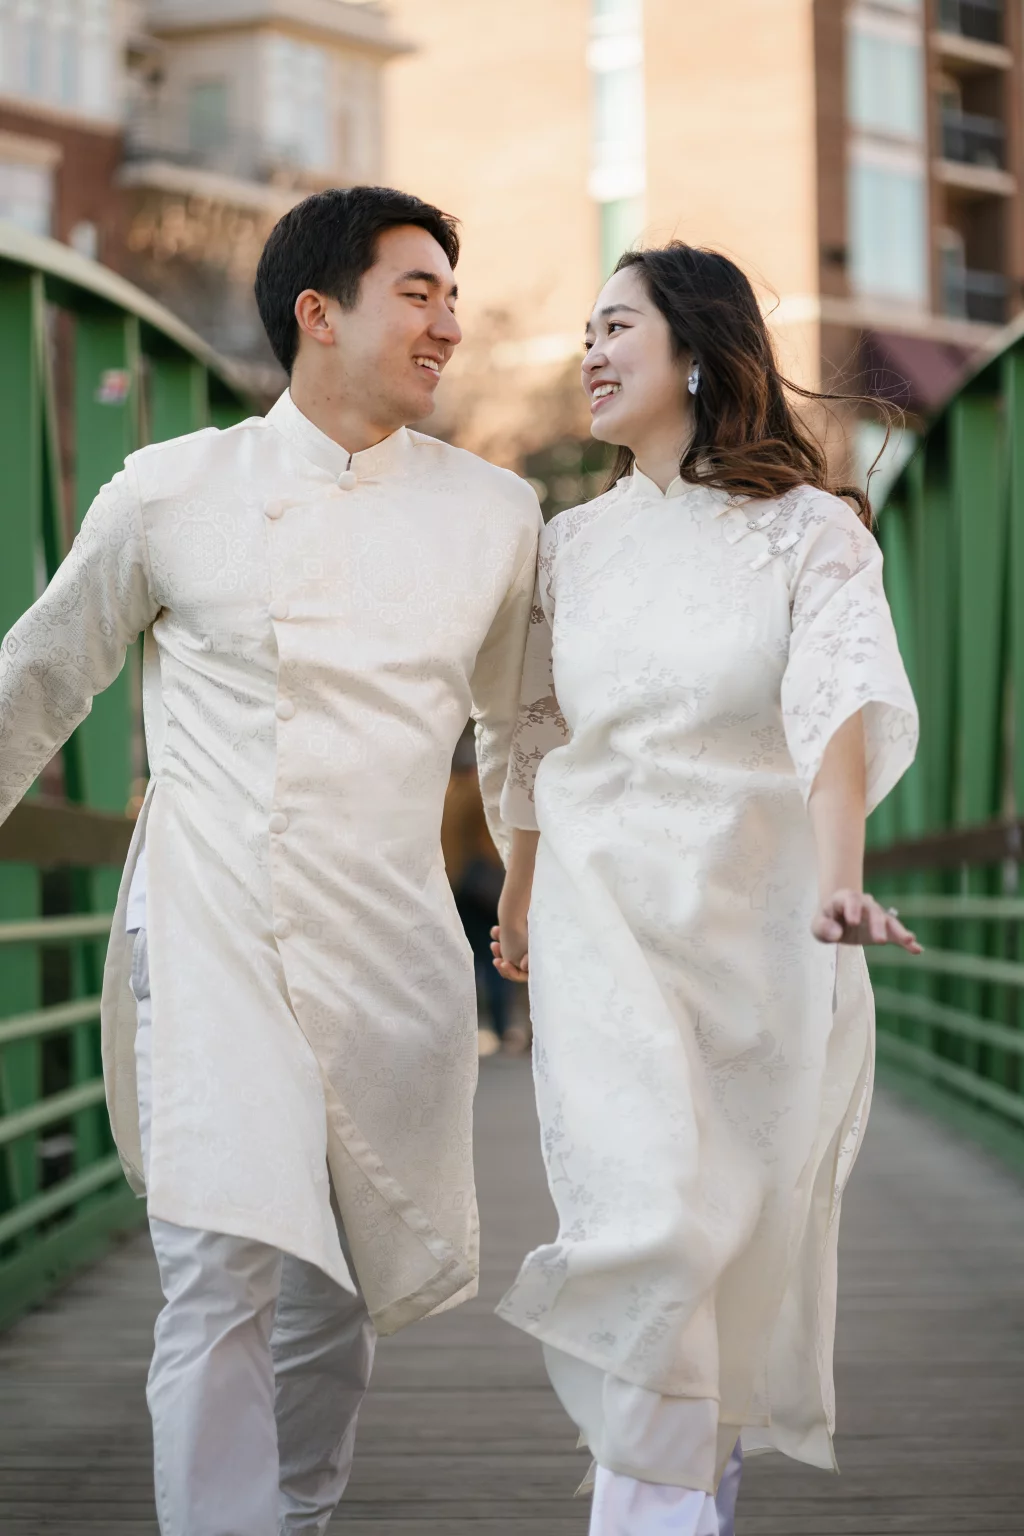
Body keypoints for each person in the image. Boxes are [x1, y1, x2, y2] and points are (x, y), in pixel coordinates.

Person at [0, 185, 541, 1536]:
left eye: (452, 299)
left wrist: (526, 879)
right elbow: (42, 673)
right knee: (220, 1261)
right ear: (320, 313)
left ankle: (293, 1514)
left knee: (335, 1285)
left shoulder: (495, 513)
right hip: (206, 925)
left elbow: (519, 722)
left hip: (389, 941)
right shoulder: (171, 488)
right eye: (418, 294)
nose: (449, 326)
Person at [491, 243, 920, 1536]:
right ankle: (655, 1507)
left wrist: (839, 885)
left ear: (695, 348)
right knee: (656, 1220)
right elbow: (527, 728)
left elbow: (837, 709)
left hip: (760, 929)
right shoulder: (568, 545)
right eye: (585, 329)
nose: (591, 350)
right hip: (602, 921)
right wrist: (518, 888)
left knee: (735, 1239)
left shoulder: (812, 534)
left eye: (616, 324)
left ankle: (689, 1463)